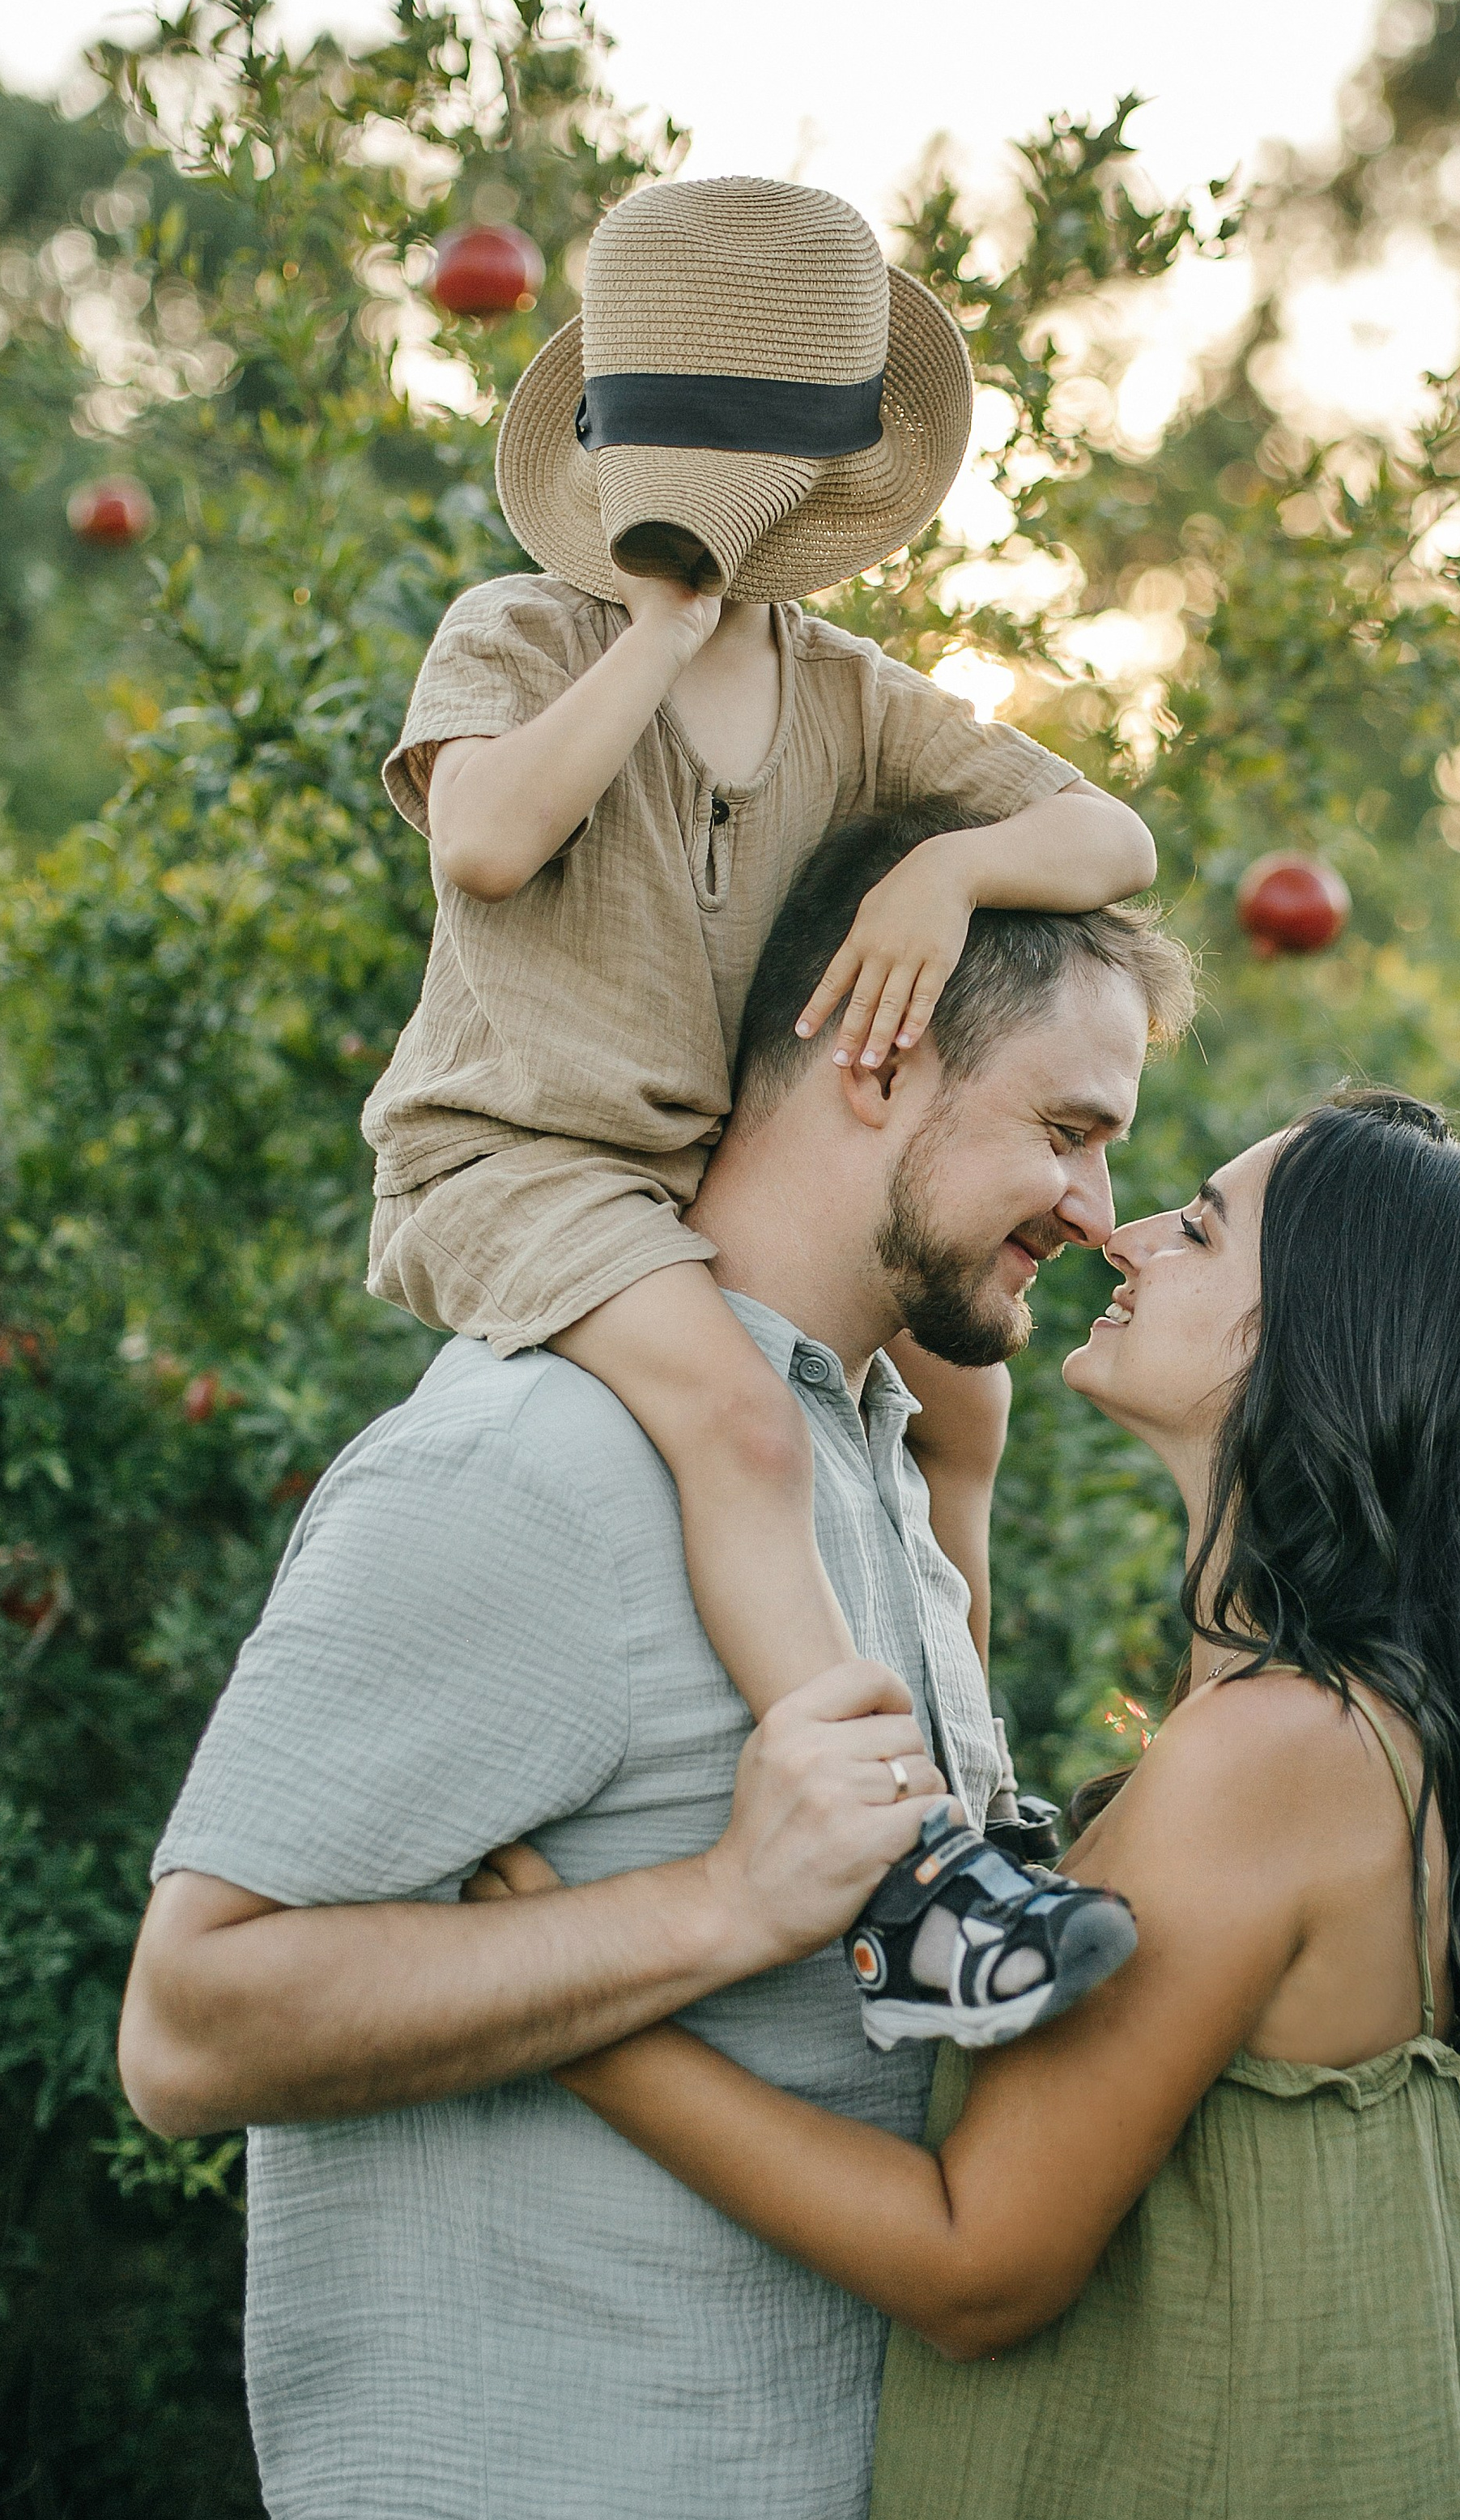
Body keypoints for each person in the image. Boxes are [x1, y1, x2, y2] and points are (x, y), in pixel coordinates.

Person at [117, 812, 1195, 2520]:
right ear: (875, 1058)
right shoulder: (542, 1458)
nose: (1097, 1204)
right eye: (1067, 1128)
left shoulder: (856, 1462)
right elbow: (188, 2024)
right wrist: (718, 1908)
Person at [474, 1088, 1460, 2520]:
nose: (1129, 1232)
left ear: (1320, 1338)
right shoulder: (1328, 1725)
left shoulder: (1273, 1753)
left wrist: (574, 2009)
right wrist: (948, 1442)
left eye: (1202, 1226)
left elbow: (975, 2264)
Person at [364, 169, 1159, 2042]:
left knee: (963, 1392)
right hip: (530, 1162)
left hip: (714, 1173)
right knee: (738, 1428)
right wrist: (650, 628)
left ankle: (972, 1794)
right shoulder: (523, 633)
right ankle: (903, 1891)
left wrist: (945, 881)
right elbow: (481, 840)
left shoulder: (850, 692)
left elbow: (1112, 835)